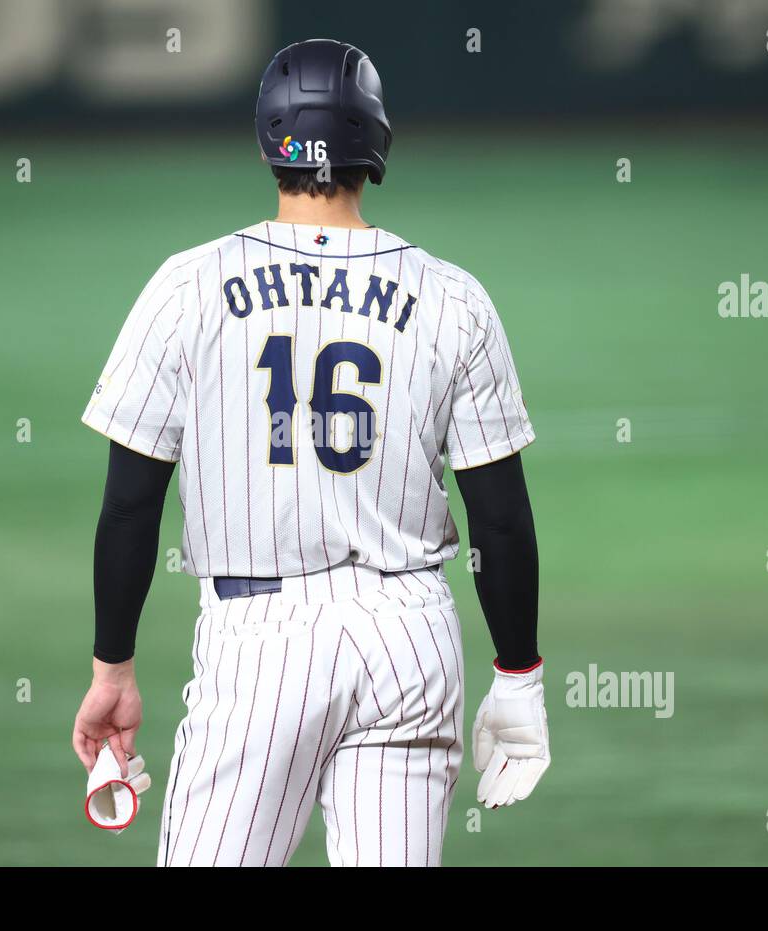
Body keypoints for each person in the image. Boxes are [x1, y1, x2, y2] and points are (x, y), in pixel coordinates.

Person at [72, 38, 550, 867]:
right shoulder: (452, 298)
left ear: (269, 143)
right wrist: (519, 674)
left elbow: (130, 502)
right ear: (376, 143)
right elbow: (500, 519)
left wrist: (112, 667)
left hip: (260, 644)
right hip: (410, 640)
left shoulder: (190, 284)